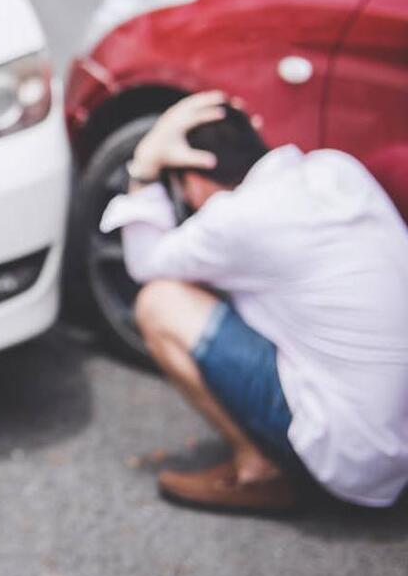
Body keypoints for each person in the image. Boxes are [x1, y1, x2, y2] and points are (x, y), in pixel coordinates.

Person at [100, 91, 408, 513]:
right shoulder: (336, 168)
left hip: (352, 455)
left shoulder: (238, 218)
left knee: (160, 302)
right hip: (398, 445)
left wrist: (144, 167)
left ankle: (258, 470)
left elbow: (145, 264)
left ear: (193, 179)